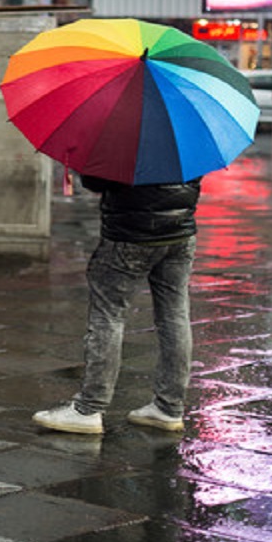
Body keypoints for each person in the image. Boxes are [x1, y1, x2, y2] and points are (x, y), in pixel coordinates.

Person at [33, 175, 201, 435]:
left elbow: (96, 181)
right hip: (180, 233)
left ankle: (89, 408)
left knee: (108, 316)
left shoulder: (122, 136)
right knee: (175, 315)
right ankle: (169, 407)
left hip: (130, 235)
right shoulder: (188, 135)